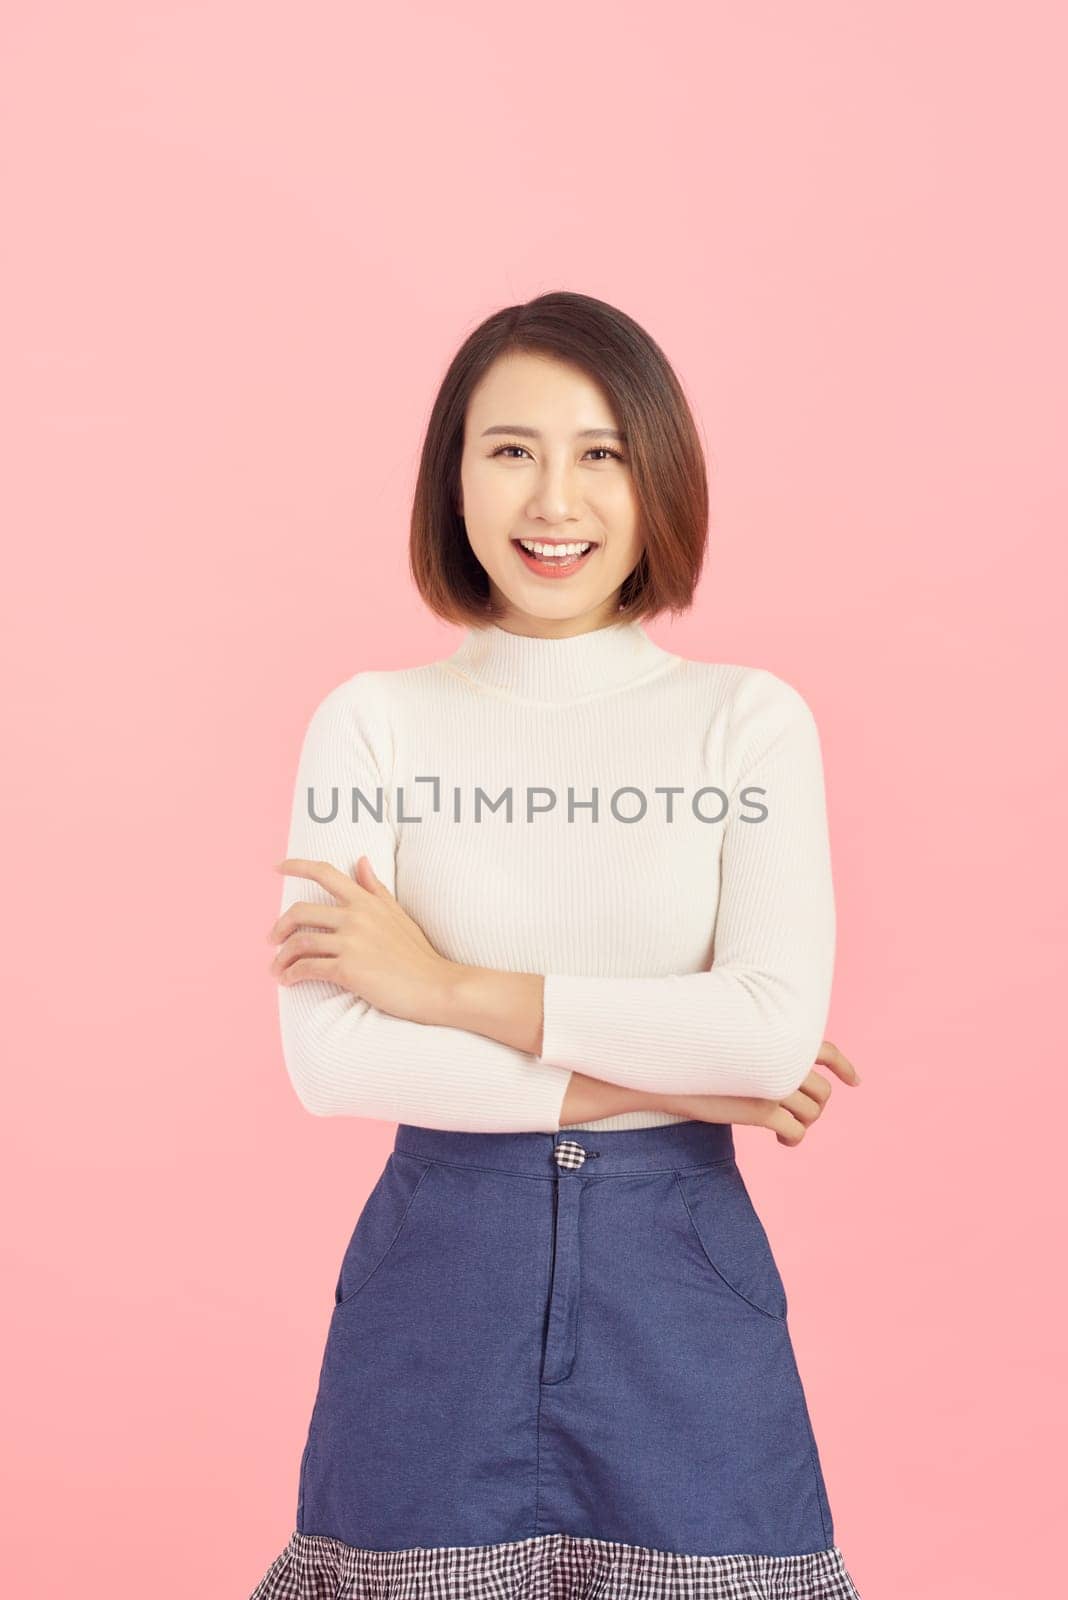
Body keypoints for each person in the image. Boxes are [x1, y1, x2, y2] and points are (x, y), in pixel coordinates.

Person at [250, 290, 864, 1599]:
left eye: (602, 453)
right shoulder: (374, 724)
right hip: (439, 1282)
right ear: (452, 475)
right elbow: (335, 1063)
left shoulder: (746, 723)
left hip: (681, 1286)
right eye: (510, 448)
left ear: (660, 476)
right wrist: (672, 1080)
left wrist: (445, 985)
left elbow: (766, 1028)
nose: (554, 501)